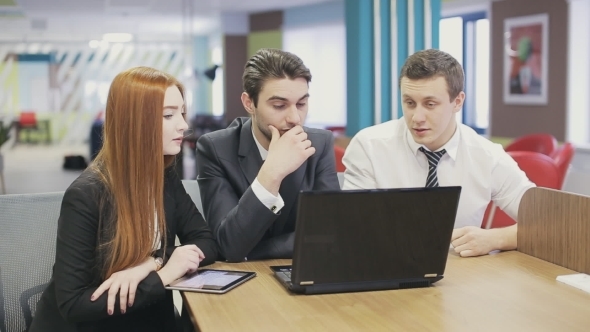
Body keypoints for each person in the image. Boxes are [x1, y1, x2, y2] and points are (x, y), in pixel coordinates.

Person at [30, 67, 218, 331]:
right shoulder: (86, 194)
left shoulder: (164, 176)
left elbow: (206, 241)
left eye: (182, 113)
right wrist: (162, 276)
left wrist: (151, 263)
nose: (184, 125)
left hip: (144, 317)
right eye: (168, 115)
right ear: (135, 122)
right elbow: (73, 304)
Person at [342, 49, 535, 258]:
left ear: (458, 102)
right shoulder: (369, 147)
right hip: (383, 265)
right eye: (409, 103)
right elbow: (352, 231)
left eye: (430, 104)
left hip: (461, 277)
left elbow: (547, 222)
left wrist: (495, 239)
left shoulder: (487, 156)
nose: (417, 117)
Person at [196, 48, 340, 262]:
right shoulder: (216, 149)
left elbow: (330, 233)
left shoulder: (319, 144)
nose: (295, 118)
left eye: (301, 104)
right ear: (249, 103)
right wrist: (271, 173)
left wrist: (253, 251)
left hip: (301, 271)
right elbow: (229, 246)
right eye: (279, 105)